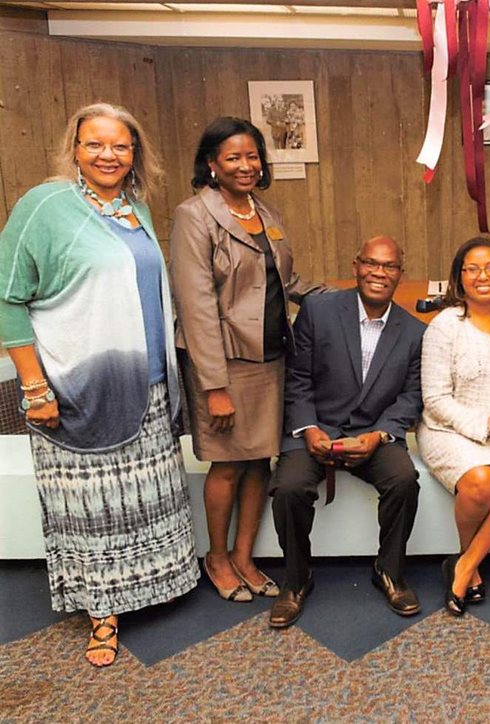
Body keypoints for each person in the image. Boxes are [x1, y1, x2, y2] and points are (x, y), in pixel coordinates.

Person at [0, 102, 198, 667]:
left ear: (135, 154)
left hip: (148, 384)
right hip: (75, 388)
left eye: (121, 145)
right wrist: (35, 388)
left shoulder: (135, 209)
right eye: (95, 144)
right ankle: (101, 613)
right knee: (92, 507)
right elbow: (8, 297)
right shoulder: (45, 206)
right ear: (75, 149)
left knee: (144, 499)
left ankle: (152, 589)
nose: (108, 155)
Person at [170, 117, 330, 604]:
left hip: (270, 357)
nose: (245, 165)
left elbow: (285, 280)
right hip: (223, 361)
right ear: (212, 164)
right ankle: (216, 557)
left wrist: (335, 300)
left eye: (252, 156)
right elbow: (195, 305)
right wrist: (213, 385)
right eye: (233, 157)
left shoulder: (264, 211)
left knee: (261, 459)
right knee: (226, 465)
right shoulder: (194, 215)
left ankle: (243, 555)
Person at [268, 236, 424, 628]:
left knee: (404, 480)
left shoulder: (413, 332)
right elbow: (298, 377)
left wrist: (380, 435)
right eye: (371, 263)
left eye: (389, 267)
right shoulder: (318, 311)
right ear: (356, 266)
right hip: (317, 427)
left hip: (372, 432)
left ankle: (389, 570)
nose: (379, 272)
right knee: (288, 488)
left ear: (399, 276)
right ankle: (296, 580)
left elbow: (411, 396)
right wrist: (308, 429)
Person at [417, 238, 490, 616]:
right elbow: (434, 401)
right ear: (459, 277)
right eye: (473, 269)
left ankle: (465, 563)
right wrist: (481, 423)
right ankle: (472, 564)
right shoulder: (444, 327)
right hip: (449, 425)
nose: (483, 276)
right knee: (481, 481)